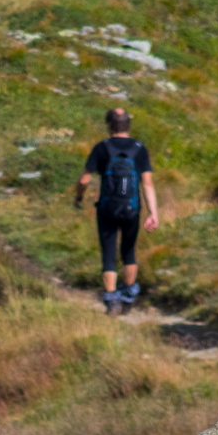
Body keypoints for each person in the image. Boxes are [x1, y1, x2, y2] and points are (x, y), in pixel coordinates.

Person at [74, 108, 159, 315]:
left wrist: (78, 197)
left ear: (110, 125)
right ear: (128, 125)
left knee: (109, 253)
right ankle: (128, 298)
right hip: (132, 209)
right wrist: (153, 212)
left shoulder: (102, 148)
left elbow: (84, 179)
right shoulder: (140, 149)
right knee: (129, 251)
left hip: (107, 209)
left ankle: (112, 301)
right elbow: (147, 184)